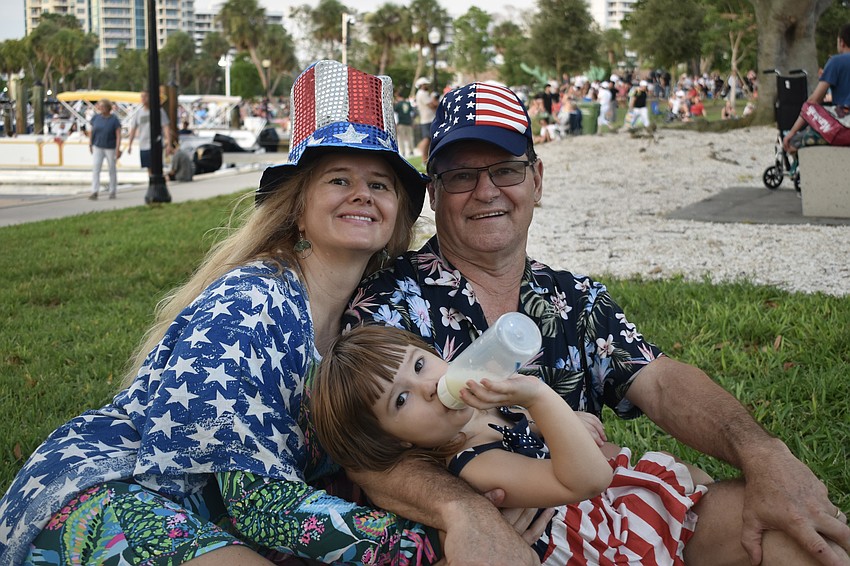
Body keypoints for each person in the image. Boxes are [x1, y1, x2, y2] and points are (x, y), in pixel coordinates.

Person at [0, 61, 543, 566]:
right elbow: (257, 503)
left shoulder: (376, 311)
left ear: (398, 212)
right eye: (338, 179)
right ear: (298, 207)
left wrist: (492, 486)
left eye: (380, 184)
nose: (363, 195)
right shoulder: (252, 302)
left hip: (226, 526)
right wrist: (434, 539)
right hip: (114, 501)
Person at [343, 81, 850, 566]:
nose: (485, 191)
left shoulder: (575, 297)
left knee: (791, 533)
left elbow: (662, 381)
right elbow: (363, 450)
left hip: (617, 520)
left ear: (536, 180)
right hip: (506, 545)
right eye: (460, 176)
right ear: (434, 192)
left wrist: (761, 452)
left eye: (506, 170)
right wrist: (465, 512)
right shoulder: (389, 305)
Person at [313, 325, 717, 564]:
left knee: (694, 479)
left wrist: (551, 424)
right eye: (401, 400)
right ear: (395, 441)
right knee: (674, 504)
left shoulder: (476, 410)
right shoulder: (471, 462)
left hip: (597, 504)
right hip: (586, 539)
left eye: (420, 365)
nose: (428, 388)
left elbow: (523, 433)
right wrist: (541, 399)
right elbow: (589, 478)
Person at [783, 23, 850, 154]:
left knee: (795, 141)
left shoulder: (836, 62)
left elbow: (814, 100)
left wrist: (792, 131)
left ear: (841, 42)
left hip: (842, 130)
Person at [126, 89, 173, 175]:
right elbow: (133, 129)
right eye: (142, 96)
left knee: (157, 166)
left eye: (145, 96)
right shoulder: (138, 113)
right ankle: (151, 182)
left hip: (156, 143)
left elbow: (166, 127)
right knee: (148, 167)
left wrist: (168, 143)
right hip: (143, 144)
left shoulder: (158, 111)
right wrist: (130, 144)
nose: (143, 98)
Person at [87, 98, 122, 200]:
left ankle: (112, 191)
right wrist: (90, 144)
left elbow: (118, 134)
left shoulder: (114, 119)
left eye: (102, 106)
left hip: (110, 147)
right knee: (96, 168)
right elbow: (92, 131)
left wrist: (117, 148)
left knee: (111, 168)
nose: (100, 108)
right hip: (98, 145)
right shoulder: (96, 118)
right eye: (100, 106)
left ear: (107, 108)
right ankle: (94, 191)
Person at [414, 77, 438, 162]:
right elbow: (432, 105)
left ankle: (426, 158)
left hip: (427, 119)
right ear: (422, 85)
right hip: (428, 120)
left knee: (428, 138)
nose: (428, 86)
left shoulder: (421, 93)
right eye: (426, 84)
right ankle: (424, 159)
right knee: (427, 139)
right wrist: (434, 99)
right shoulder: (422, 93)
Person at [394, 89, 415, 157]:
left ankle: (403, 152)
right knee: (410, 137)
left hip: (401, 123)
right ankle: (411, 151)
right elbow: (412, 113)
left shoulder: (398, 105)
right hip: (408, 122)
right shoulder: (408, 103)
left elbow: (395, 114)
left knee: (401, 138)